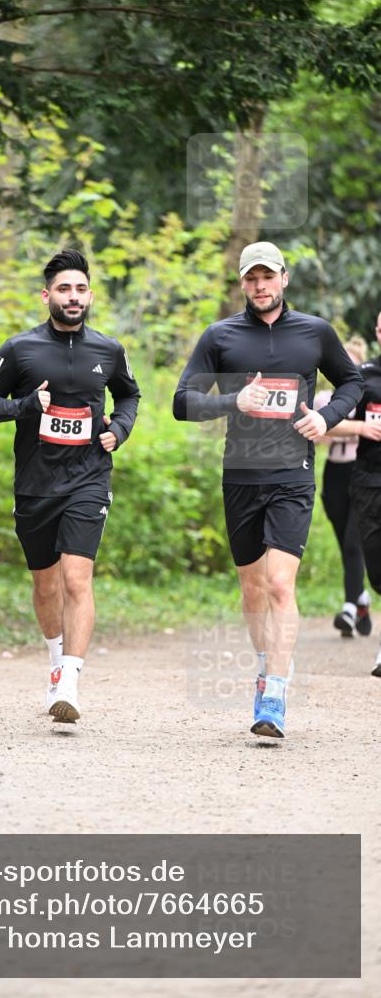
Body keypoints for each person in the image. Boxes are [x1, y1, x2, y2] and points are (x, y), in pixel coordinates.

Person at [173, 242, 363, 739]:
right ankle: (266, 665)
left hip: (292, 474)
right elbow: (182, 402)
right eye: (251, 278)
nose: (260, 286)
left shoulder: (315, 332)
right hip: (240, 475)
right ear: (242, 283)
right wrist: (234, 400)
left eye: (268, 276)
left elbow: (352, 383)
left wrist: (326, 417)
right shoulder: (221, 336)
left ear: (284, 278)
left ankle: (274, 693)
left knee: (280, 584)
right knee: (253, 587)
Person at [0, 249, 141, 722]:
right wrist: (25, 406)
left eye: (81, 289)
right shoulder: (18, 349)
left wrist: (119, 429)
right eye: (64, 289)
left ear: (91, 296)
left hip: (89, 477)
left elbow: (129, 394)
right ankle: (55, 661)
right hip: (35, 483)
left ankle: (69, 679)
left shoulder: (109, 350)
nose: (73, 297)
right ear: (46, 295)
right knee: (46, 586)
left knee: (76, 578)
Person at [324, 310, 381, 676]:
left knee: (355, 548)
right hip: (361, 480)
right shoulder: (363, 377)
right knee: (371, 563)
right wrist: (360, 427)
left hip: (364, 477)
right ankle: (360, 596)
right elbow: (327, 423)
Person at [314, 336, 372, 638]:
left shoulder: (367, 394)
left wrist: (335, 428)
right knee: (345, 544)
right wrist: (352, 429)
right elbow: (316, 435)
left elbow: (332, 430)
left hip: (359, 471)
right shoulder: (323, 399)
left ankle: (349, 608)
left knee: (353, 543)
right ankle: (361, 599)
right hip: (333, 474)